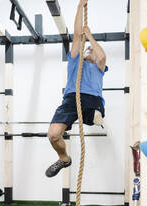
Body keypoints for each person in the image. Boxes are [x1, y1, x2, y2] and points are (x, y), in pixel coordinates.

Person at [45, 0, 108, 178]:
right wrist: (80, 6)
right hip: (71, 100)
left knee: (96, 117)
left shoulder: (99, 68)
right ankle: (64, 159)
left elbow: (102, 56)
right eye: (87, 48)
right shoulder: (75, 62)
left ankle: (95, 115)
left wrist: (91, 37)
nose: (89, 49)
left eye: (91, 49)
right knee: (53, 135)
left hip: (92, 100)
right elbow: (77, 36)